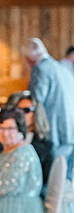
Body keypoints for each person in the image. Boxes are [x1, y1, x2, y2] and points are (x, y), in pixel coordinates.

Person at [0, 93, 53, 192]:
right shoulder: (0, 137)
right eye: (18, 110)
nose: (22, 114)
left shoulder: (45, 145)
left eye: (26, 110)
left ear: (36, 114)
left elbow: (45, 182)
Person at [23, 38, 73, 180]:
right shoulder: (62, 68)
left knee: (51, 179)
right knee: (65, 180)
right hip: (71, 131)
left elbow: (35, 101)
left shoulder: (41, 69)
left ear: (31, 58)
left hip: (55, 132)